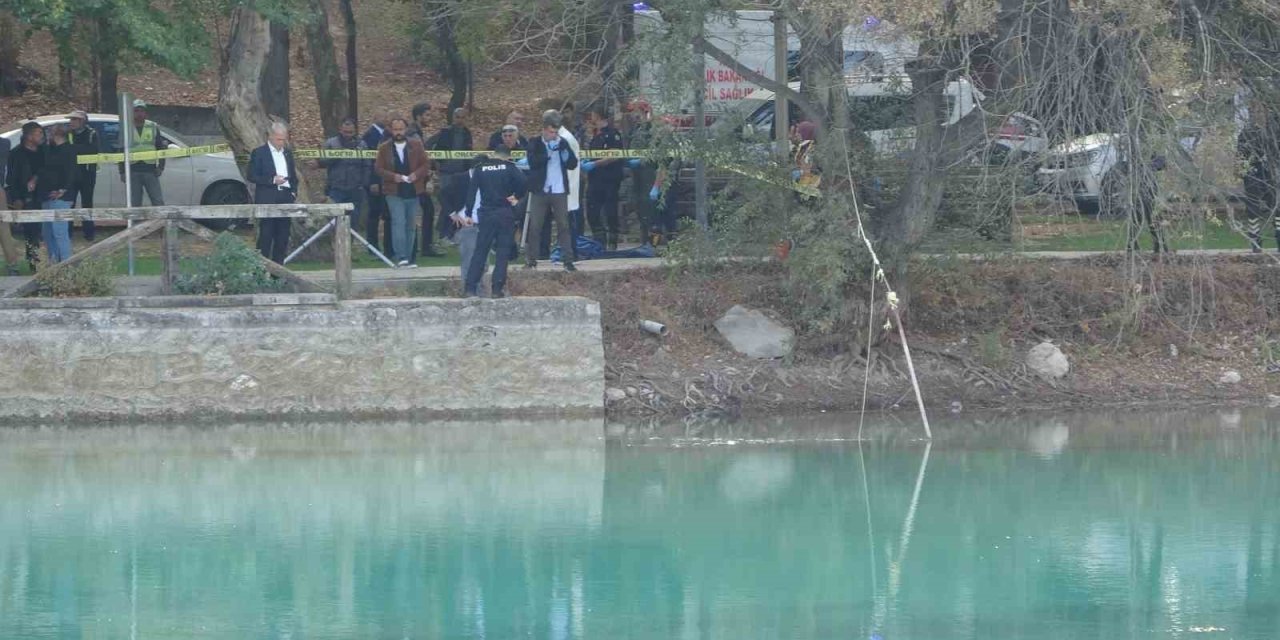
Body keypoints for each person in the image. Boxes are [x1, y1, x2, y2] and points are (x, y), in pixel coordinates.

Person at [459, 144, 525, 298]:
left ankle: (470, 288)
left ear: (494, 155)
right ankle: (497, 289)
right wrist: (516, 196)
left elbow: (472, 191)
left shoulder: (481, 168)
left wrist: (468, 213)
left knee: (480, 252)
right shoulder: (510, 167)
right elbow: (524, 182)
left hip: (486, 214)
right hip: (504, 213)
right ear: (508, 156)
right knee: (502, 253)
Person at [525, 110, 578, 272]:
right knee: (535, 226)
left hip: (559, 190)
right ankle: (531, 260)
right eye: (550, 132)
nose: (553, 135)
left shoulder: (563, 142)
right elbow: (533, 162)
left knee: (563, 225)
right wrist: (548, 153)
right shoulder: (535, 142)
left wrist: (564, 153)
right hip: (540, 191)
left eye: (555, 132)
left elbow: (572, 164)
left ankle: (568, 260)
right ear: (544, 129)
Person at [375, 118, 431, 268]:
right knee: (398, 222)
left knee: (411, 225)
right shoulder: (384, 148)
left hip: (413, 189)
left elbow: (426, 164)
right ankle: (401, 256)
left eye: (401, 129)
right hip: (393, 191)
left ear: (406, 129)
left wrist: (416, 175)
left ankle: (409, 256)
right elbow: (379, 169)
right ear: (390, 130)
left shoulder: (416, 145)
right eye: (395, 129)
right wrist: (394, 176)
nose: (398, 132)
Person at [248, 122, 299, 264]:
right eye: (279, 139)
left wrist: (293, 192)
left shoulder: (288, 154)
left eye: (284, 139)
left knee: (282, 238)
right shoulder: (259, 153)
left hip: (286, 198)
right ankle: (260, 271)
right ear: (270, 136)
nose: (282, 142)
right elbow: (251, 175)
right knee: (265, 237)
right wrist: (272, 180)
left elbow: (293, 176)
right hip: (267, 198)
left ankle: (278, 275)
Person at [583, 107, 626, 250]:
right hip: (595, 179)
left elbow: (614, 155)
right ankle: (599, 240)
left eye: (593, 115)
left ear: (598, 115)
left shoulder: (612, 134)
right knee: (592, 210)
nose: (591, 118)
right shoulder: (595, 135)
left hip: (609, 179)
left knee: (610, 211)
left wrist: (594, 163)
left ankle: (612, 241)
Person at [1239, 100, 1278, 253]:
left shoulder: (1274, 131)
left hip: (1272, 175)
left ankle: (1279, 237)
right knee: (1253, 210)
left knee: (1277, 208)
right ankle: (1255, 243)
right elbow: (1241, 156)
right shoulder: (1246, 133)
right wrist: (1245, 171)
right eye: (1254, 112)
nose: (1258, 115)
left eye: (1261, 112)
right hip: (1253, 174)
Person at [7, 122, 46, 271]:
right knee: (31, 231)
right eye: (39, 133)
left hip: (44, 195)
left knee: (44, 230)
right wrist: (17, 198)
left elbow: (48, 169)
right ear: (29, 136)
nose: (42, 136)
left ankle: (51, 260)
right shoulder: (16, 154)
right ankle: (33, 262)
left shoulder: (44, 151)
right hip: (26, 197)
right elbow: (11, 178)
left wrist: (36, 178)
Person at [36, 124, 77, 264]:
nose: (48, 136)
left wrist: (63, 190)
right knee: (48, 233)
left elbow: (71, 172)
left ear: (57, 135)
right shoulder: (50, 150)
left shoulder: (69, 150)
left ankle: (66, 264)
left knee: (60, 233)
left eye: (50, 133)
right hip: (47, 195)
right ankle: (52, 263)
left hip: (61, 197)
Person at [320, 117, 370, 228]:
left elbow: (367, 165)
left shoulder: (362, 145)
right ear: (340, 130)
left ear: (355, 131)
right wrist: (336, 156)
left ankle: (350, 243)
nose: (347, 135)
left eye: (350, 132)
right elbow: (322, 161)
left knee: (353, 221)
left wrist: (363, 184)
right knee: (333, 220)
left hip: (355, 189)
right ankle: (334, 242)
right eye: (345, 132)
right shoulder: (331, 143)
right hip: (336, 188)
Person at [407, 102, 442, 259]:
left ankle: (424, 246)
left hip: (418, 178)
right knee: (422, 211)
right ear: (418, 116)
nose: (430, 118)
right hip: (415, 179)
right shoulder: (413, 134)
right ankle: (421, 247)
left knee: (427, 210)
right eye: (427, 115)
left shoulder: (418, 133)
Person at [119, 98, 169, 207]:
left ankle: (159, 224)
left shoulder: (152, 126)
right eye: (136, 111)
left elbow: (160, 148)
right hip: (132, 170)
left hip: (150, 170)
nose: (139, 113)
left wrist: (161, 167)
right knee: (134, 204)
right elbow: (121, 151)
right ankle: (136, 224)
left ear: (146, 113)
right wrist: (122, 171)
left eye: (142, 111)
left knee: (157, 201)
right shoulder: (126, 128)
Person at [362, 110, 393, 254]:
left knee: (386, 214)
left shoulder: (388, 134)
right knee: (374, 214)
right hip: (375, 180)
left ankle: (388, 247)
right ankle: (372, 246)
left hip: (387, 180)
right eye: (383, 115)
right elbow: (371, 160)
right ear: (375, 118)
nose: (386, 118)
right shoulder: (370, 136)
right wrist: (373, 181)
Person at [67, 110, 101, 242]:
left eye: (74, 120)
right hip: (71, 174)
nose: (71, 122)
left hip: (87, 174)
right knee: (69, 203)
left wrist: (75, 149)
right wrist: (79, 149)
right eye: (71, 120)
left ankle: (89, 233)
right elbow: (66, 149)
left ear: (82, 121)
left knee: (87, 204)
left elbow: (92, 150)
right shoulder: (68, 134)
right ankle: (68, 232)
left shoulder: (92, 133)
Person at [0, 136, 21, 275]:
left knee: (4, 230)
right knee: (4, 231)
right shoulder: (5, 143)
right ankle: (13, 266)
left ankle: (13, 265)